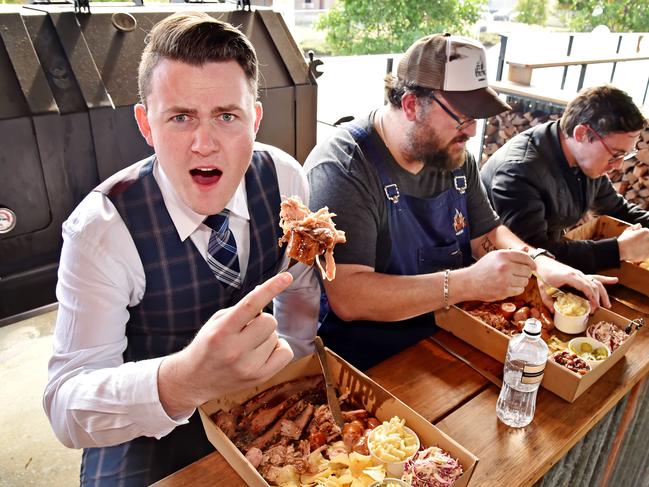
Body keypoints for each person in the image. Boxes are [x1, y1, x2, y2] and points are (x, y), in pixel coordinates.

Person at [43, 12, 320, 485]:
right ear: (146, 125)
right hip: (140, 430)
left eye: (226, 116)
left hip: (255, 399)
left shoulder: (285, 181)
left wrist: (286, 368)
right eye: (180, 117)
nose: (204, 144)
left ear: (254, 119)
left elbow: (300, 288)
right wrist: (185, 380)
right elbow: (65, 409)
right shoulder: (100, 231)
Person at [305, 33, 615, 370]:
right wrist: (466, 283)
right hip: (366, 359)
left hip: (445, 333)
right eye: (462, 117)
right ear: (411, 105)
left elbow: (489, 234)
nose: (470, 132)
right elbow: (349, 296)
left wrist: (540, 264)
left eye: (476, 118)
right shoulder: (343, 168)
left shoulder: (452, 155)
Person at [481, 85, 649, 274]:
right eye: (615, 155)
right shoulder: (518, 171)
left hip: (548, 257)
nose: (618, 166)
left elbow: (617, 208)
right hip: (498, 269)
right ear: (581, 134)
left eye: (624, 156)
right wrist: (619, 250)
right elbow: (534, 254)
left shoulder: (585, 159)